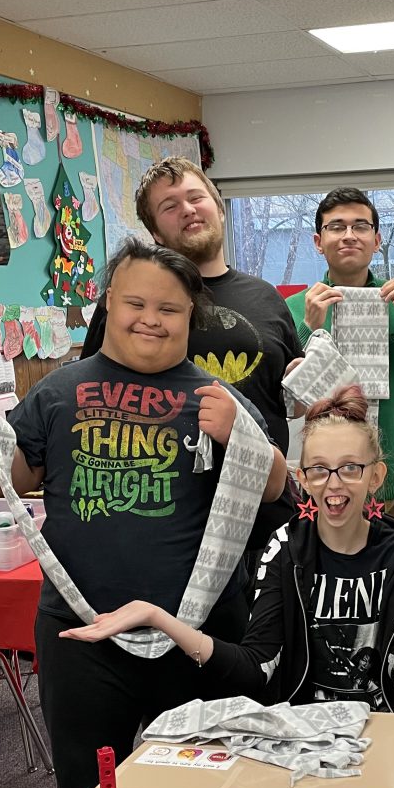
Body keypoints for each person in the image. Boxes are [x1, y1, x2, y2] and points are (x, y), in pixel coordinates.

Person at [0, 238, 289, 788]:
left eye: (170, 309)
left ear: (190, 318)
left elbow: (277, 487)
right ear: (109, 304)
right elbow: (11, 472)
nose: (151, 318)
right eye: (135, 303)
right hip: (83, 634)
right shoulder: (59, 389)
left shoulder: (218, 397)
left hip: (196, 633)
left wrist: (240, 434)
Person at [60, 385, 394, 711]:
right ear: (303, 477)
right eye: (318, 469)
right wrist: (161, 619)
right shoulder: (284, 548)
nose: (333, 484)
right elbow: (257, 667)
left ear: (376, 477)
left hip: (386, 723)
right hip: (301, 731)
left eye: (350, 468)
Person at [82, 156, 302, 576]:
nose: (187, 209)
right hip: (162, 516)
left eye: (196, 197)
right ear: (154, 233)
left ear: (218, 206)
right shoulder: (130, 310)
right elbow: (94, 393)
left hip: (261, 515)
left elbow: (288, 402)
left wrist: (308, 390)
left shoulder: (267, 298)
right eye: (170, 206)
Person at [285, 187, 394, 519]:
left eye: (360, 226)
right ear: (318, 242)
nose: (349, 235)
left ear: (376, 239)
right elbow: (284, 397)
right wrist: (309, 328)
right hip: (329, 485)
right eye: (336, 226)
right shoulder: (294, 309)